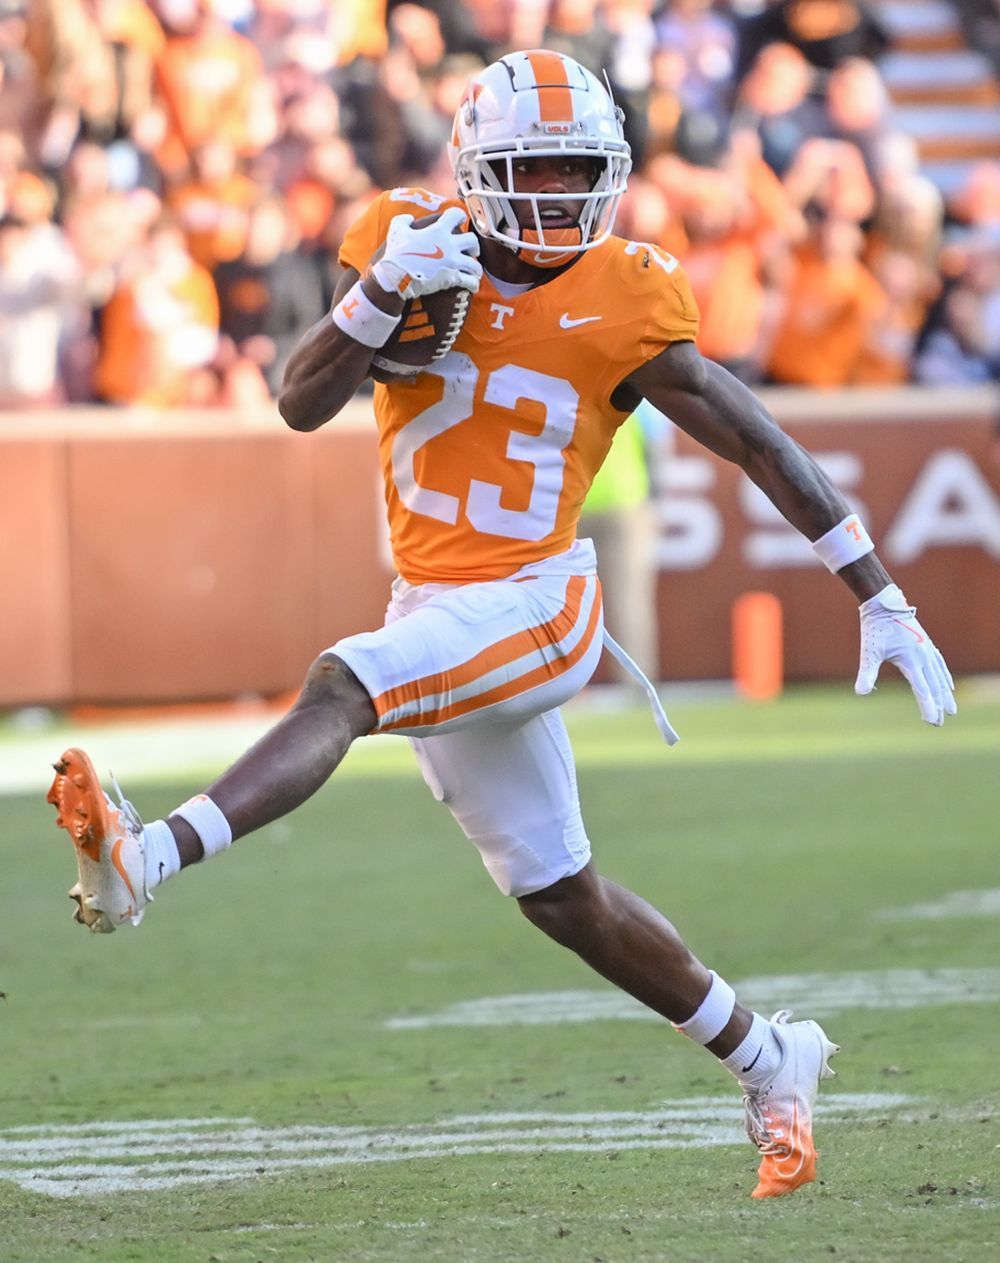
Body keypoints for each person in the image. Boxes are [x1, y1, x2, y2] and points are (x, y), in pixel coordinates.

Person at [48, 48, 956, 1201]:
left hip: (538, 596)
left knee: (346, 684)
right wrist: (375, 297)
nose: (564, 191)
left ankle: (147, 859)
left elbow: (755, 436)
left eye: (584, 167)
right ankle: (772, 1059)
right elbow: (298, 401)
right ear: (478, 170)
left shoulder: (626, 289)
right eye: (539, 167)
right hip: (438, 599)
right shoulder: (406, 243)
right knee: (560, 894)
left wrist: (876, 589)